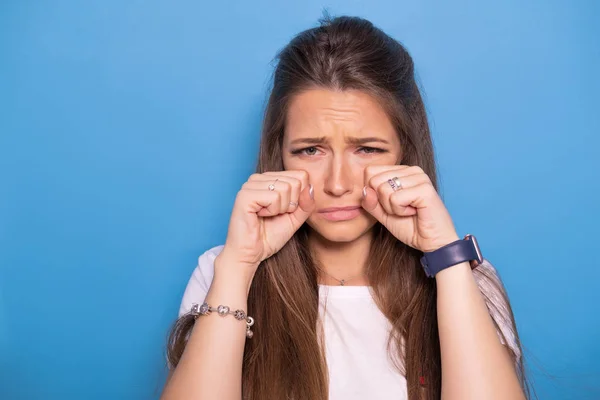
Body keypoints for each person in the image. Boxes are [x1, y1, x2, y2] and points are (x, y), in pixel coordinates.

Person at [160, 14, 531, 400]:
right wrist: (238, 268)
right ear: (280, 156)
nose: (337, 184)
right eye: (310, 150)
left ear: (406, 153)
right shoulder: (222, 271)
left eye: (367, 149)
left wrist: (445, 257)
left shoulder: (465, 275)